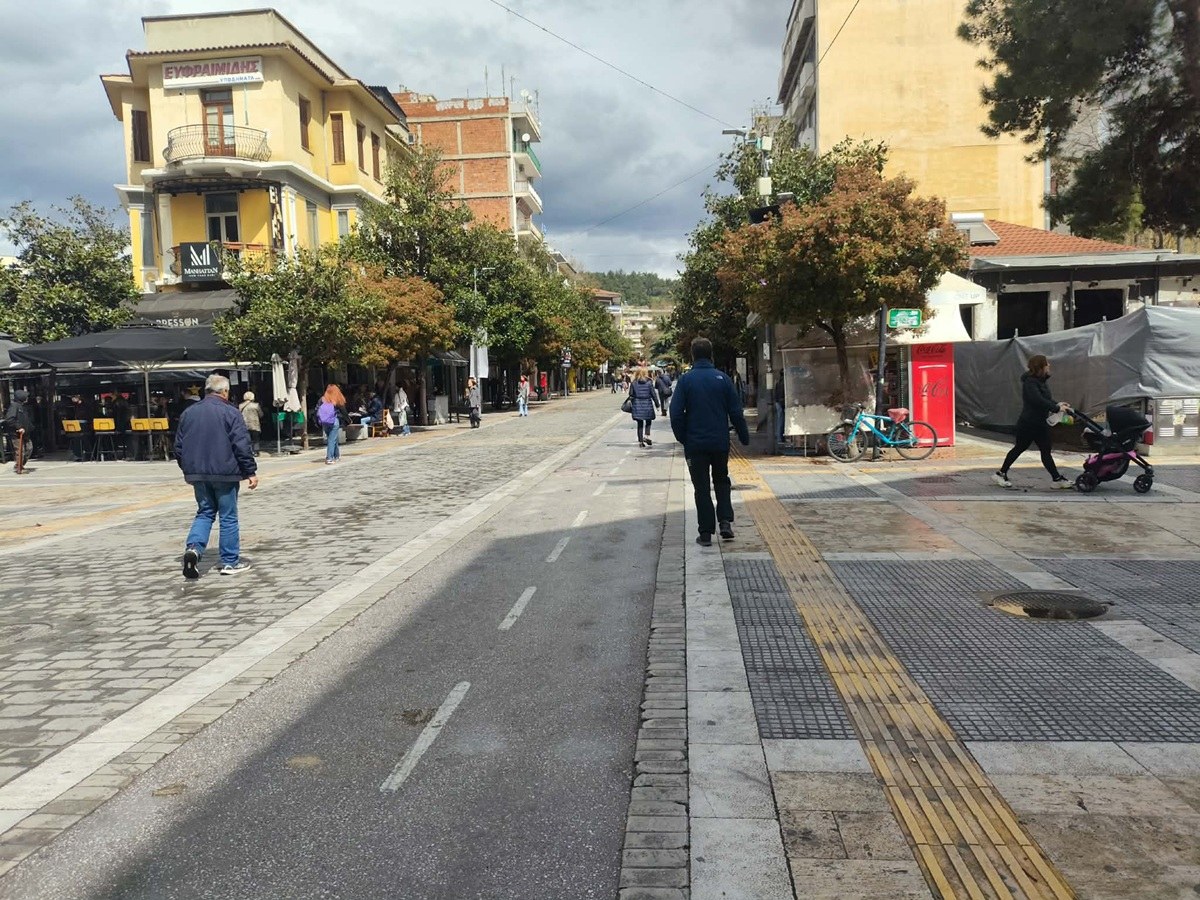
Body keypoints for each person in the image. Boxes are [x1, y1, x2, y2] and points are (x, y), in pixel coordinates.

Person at [174, 374, 258, 578]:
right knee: (228, 516)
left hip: (198, 474)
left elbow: (178, 446)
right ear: (225, 391)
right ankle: (230, 561)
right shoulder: (231, 412)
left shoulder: (189, 413)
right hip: (225, 473)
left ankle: (194, 548)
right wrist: (250, 471)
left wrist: (188, 469)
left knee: (204, 513)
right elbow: (241, 444)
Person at [670, 337, 750, 546]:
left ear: (692, 355)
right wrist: (744, 436)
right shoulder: (723, 379)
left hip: (695, 444)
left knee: (701, 487)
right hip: (719, 442)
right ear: (711, 354)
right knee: (722, 480)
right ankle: (725, 522)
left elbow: (675, 413)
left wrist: (683, 437)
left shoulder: (686, 380)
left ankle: (705, 533)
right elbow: (736, 411)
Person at [993, 354, 1073, 489]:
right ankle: (1001, 473)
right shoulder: (1030, 382)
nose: (1049, 365)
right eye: (1047, 363)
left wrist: (1057, 404)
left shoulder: (1041, 381)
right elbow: (1037, 400)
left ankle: (1056, 478)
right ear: (1041, 366)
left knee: (1045, 450)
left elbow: (1045, 399)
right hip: (1029, 423)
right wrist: (1056, 408)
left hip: (1039, 423)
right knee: (1020, 447)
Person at [2, 389, 35, 471]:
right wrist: (18, 427)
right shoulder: (14, 406)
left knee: (29, 448)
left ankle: (20, 464)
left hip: (25, 433)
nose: (27, 398)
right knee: (20, 451)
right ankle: (19, 466)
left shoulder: (22, 406)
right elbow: (10, 419)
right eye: (25, 396)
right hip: (16, 433)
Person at [629, 367, 661, 448]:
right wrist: (657, 405)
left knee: (640, 423)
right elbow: (653, 394)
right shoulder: (649, 382)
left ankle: (640, 442)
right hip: (647, 404)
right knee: (648, 420)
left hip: (637, 404)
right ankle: (647, 436)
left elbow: (631, 394)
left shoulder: (634, 383)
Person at [316, 385, 346, 464]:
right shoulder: (337, 399)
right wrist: (348, 420)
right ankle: (329, 458)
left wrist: (318, 421)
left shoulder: (322, 399)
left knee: (333, 438)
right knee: (332, 439)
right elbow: (343, 411)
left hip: (324, 422)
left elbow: (317, 410)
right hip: (334, 421)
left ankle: (336, 455)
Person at [239, 390, 263, 457]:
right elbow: (261, 414)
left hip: (244, 425)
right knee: (256, 439)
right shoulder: (256, 405)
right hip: (254, 425)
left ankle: (248, 451)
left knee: (247, 440)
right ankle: (256, 451)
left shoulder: (240, 406)